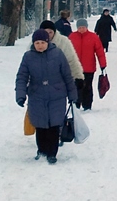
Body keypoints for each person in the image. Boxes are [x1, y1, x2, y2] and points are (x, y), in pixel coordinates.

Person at [16, 28, 78, 164]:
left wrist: (72, 94)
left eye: (42, 42)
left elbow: (67, 76)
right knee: (40, 124)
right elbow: (22, 77)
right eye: (37, 43)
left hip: (57, 95)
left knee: (54, 125)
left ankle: (52, 153)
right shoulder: (28, 57)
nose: (40, 45)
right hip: (36, 95)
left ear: (47, 42)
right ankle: (42, 150)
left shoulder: (58, 54)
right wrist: (20, 94)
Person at [70, 18, 107, 110]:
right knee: (76, 87)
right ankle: (76, 104)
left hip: (89, 67)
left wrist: (103, 65)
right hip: (75, 68)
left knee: (87, 87)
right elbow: (67, 52)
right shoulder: (72, 37)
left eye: (83, 27)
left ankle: (87, 105)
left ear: (86, 27)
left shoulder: (93, 37)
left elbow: (100, 52)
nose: (81, 29)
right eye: (80, 27)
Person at [36, 20, 83, 85]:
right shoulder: (35, 44)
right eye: (45, 32)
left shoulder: (63, 42)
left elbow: (72, 60)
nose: (48, 35)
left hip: (59, 82)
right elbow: (28, 65)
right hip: (39, 83)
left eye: (50, 32)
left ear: (54, 32)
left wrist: (78, 77)